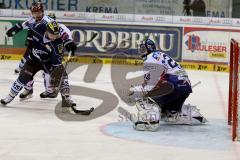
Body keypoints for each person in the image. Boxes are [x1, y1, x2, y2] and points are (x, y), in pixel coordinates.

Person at [128, 39, 207, 131]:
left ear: (149, 49)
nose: (141, 52)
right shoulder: (161, 55)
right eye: (140, 49)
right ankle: (182, 114)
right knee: (168, 113)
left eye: (143, 49)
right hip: (185, 87)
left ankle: (150, 122)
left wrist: (136, 91)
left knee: (145, 98)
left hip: (172, 85)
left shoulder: (149, 58)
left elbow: (149, 85)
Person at [1, 20, 77, 111]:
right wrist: (24, 34)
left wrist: (57, 74)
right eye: (52, 34)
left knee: (62, 76)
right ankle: (10, 96)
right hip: (33, 60)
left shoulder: (58, 45)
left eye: (56, 34)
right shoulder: (39, 28)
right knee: (22, 78)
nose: (54, 37)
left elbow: (56, 64)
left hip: (48, 62)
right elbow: (29, 24)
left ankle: (67, 98)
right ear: (47, 31)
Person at [6, 2, 75, 99]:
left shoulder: (47, 21)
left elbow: (62, 28)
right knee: (28, 70)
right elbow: (27, 23)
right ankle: (32, 88)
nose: (36, 15)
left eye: (38, 12)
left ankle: (56, 91)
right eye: (34, 13)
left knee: (55, 72)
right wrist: (17, 28)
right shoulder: (33, 19)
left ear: (42, 11)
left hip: (50, 52)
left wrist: (68, 41)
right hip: (38, 50)